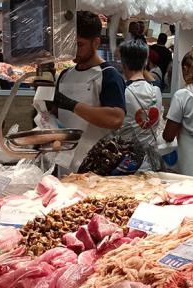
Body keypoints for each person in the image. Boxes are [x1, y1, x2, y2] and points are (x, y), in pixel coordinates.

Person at [53, 11, 127, 173]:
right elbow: (57, 118)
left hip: (97, 167)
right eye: (70, 43)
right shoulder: (64, 75)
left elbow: (116, 118)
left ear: (96, 43)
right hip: (64, 164)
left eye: (79, 45)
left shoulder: (109, 74)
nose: (73, 50)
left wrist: (71, 105)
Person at [120, 40, 164, 171]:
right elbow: (153, 81)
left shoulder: (123, 92)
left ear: (123, 63)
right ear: (146, 62)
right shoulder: (156, 90)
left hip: (126, 163)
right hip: (151, 162)